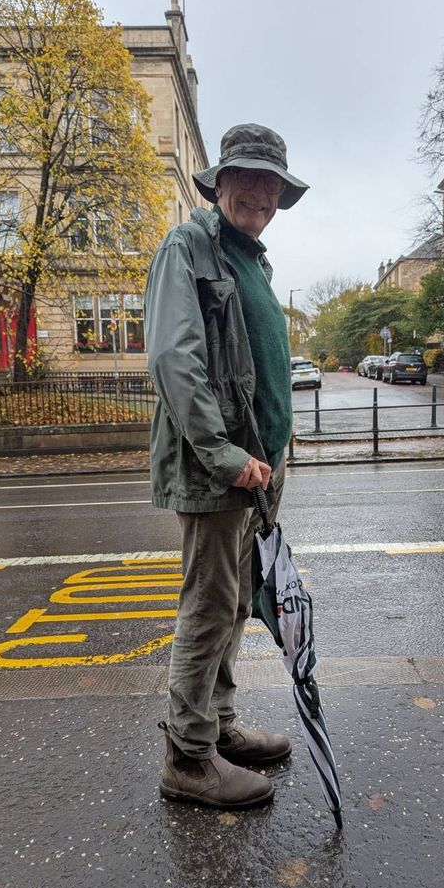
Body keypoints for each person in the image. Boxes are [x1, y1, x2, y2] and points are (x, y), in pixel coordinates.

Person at [144, 123, 309, 810]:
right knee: (209, 607)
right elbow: (174, 358)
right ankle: (187, 759)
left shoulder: (252, 260)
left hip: (251, 475)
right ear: (219, 185)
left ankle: (215, 727)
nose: (258, 193)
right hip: (220, 469)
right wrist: (221, 453)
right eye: (245, 179)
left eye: (269, 184)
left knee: (236, 602)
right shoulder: (188, 246)